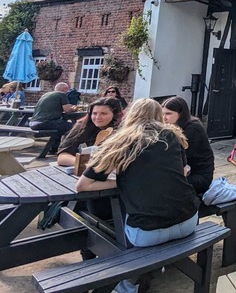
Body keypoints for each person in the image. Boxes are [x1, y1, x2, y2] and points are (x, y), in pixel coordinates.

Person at [76, 99, 200, 293]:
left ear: (130, 115)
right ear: (159, 116)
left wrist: (122, 181)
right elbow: (183, 172)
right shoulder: (173, 135)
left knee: (101, 226)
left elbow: (83, 185)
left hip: (147, 234)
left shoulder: (120, 140)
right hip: (189, 222)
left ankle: (124, 285)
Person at [162, 96, 215, 194]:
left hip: (199, 177)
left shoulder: (193, 128)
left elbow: (179, 157)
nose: (164, 118)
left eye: (168, 114)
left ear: (180, 114)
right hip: (185, 172)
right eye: (162, 114)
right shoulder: (173, 128)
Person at [57, 97, 123, 167]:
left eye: (103, 113)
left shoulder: (123, 131)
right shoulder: (82, 127)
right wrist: (86, 163)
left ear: (115, 115)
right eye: (94, 113)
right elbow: (62, 157)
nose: (98, 117)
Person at [29, 82, 77, 155]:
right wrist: (74, 108)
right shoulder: (62, 94)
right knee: (74, 128)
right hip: (44, 122)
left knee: (60, 128)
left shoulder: (45, 94)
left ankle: (53, 149)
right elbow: (67, 110)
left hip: (33, 122)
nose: (68, 91)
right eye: (67, 90)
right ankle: (68, 150)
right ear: (65, 89)